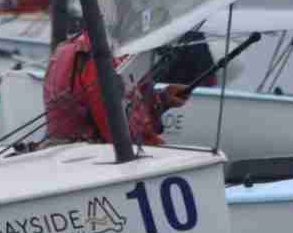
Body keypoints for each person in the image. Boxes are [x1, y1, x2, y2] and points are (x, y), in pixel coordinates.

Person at [43, 27, 192, 147]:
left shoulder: (71, 46)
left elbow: (124, 107)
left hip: (68, 152)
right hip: (86, 161)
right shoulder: (99, 57)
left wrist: (163, 99)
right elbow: (121, 136)